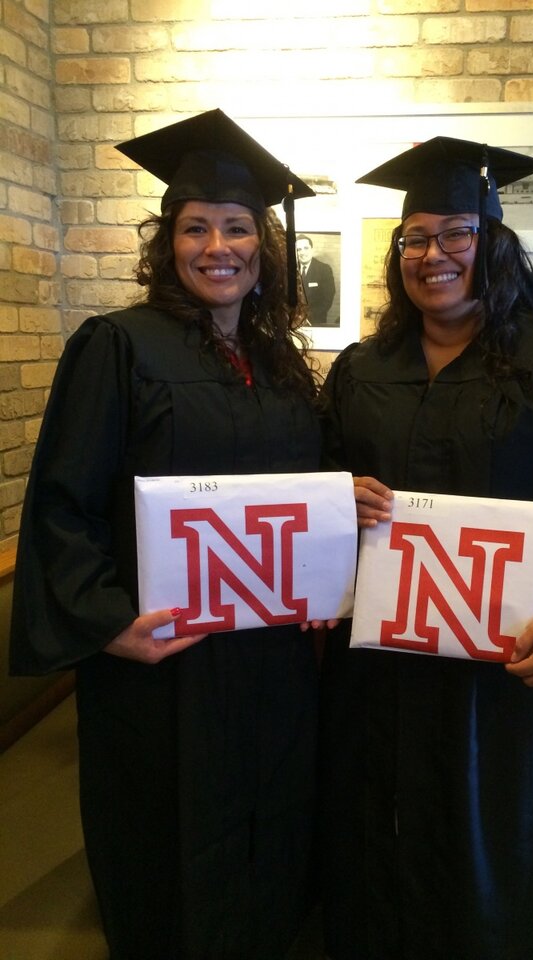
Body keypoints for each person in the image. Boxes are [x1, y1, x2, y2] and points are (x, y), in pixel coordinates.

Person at [318, 136, 533, 960]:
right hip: (380, 670)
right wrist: (338, 498)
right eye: (415, 239)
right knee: (378, 833)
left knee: (499, 842)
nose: (432, 255)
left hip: (504, 674)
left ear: (493, 245)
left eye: (455, 235)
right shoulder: (361, 371)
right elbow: (321, 489)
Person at [9, 109, 323, 960]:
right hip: (165, 662)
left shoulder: (282, 362)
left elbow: (305, 500)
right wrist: (107, 622)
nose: (217, 246)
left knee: (271, 812)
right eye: (196, 228)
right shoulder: (117, 347)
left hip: (270, 656)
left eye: (237, 226)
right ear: (167, 243)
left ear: (265, 245)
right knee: (170, 828)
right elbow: (63, 504)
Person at [296, 233, 337, 325]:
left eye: (306, 248)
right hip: (294, 323)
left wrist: (306, 317)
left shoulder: (324, 269)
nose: (302, 253)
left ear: (312, 250)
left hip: (316, 322)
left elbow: (327, 299)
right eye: (299, 249)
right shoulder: (289, 270)